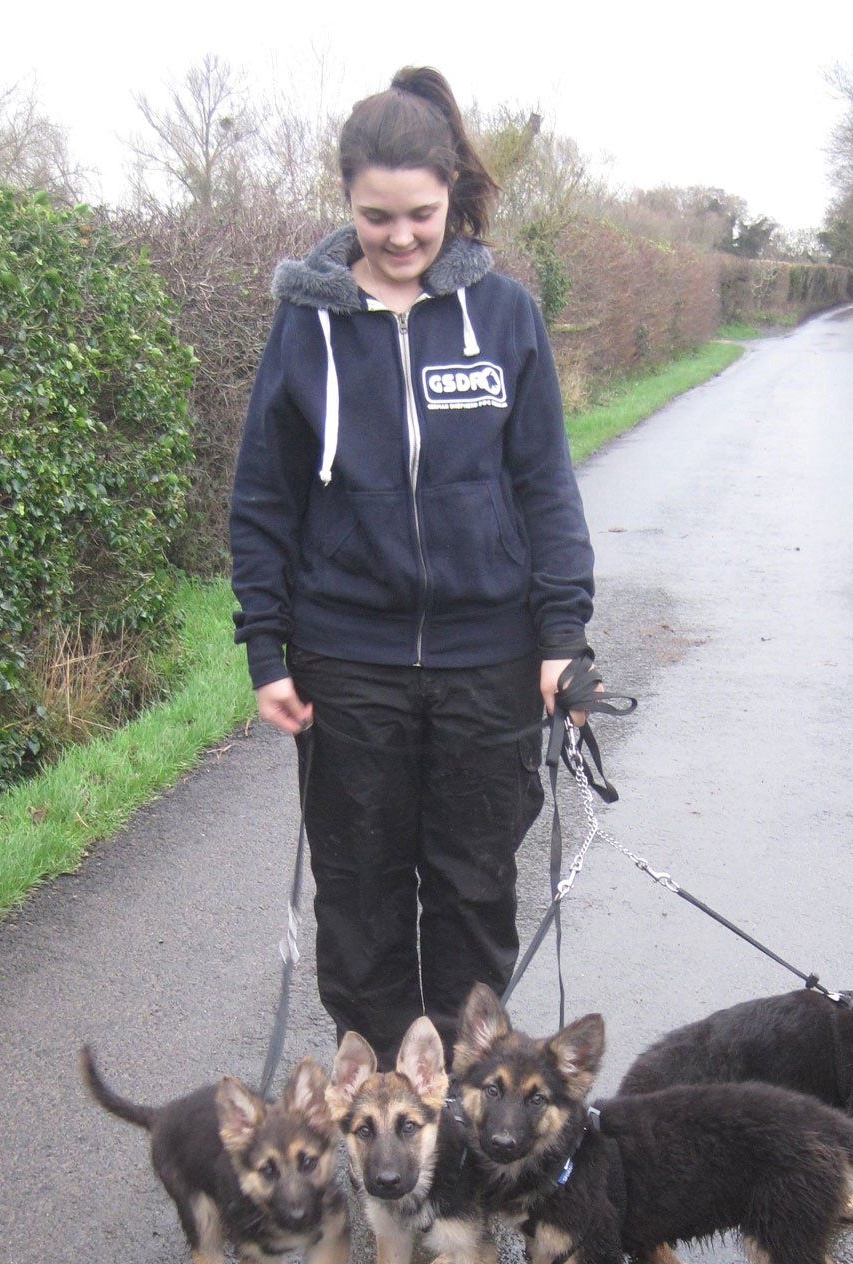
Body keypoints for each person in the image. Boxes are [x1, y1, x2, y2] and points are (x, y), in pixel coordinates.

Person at [230, 66, 595, 1067]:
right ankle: (387, 1102)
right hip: (348, 660)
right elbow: (265, 497)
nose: (399, 238)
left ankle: (470, 1101)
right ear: (346, 203)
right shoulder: (305, 323)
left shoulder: (505, 316)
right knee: (361, 892)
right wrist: (267, 650)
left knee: (474, 890)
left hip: (489, 662)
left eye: (420, 216)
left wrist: (562, 640)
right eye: (376, 216)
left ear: (453, 196)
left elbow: (546, 487)